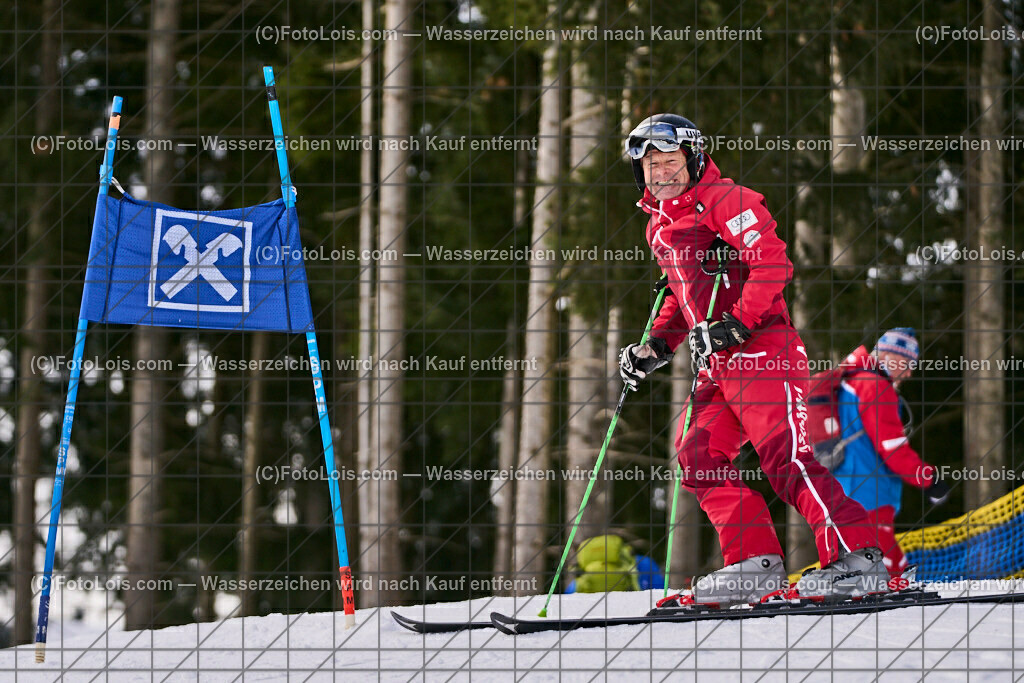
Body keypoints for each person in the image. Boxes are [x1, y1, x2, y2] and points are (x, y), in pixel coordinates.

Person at [618, 114, 888, 605]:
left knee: (785, 459)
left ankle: (858, 559)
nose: (661, 173)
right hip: (715, 364)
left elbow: (772, 261)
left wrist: (739, 321)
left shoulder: (728, 200)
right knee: (698, 457)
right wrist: (655, 346)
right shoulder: (659, 228)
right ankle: (755, 565)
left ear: (694, 159)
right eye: (651, 165)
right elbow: (681, 300)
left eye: (671, 162)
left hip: (763, 349)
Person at [822, 329, 950, 577]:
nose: (909, 372)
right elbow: (893, 449)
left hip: (841, 487)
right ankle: (899, 598)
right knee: (887, 562)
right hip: (869, 490)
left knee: (855, 560)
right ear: (890, 356)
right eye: (907, 363)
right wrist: (930, 480)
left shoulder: (848, 382)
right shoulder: (875, 387)